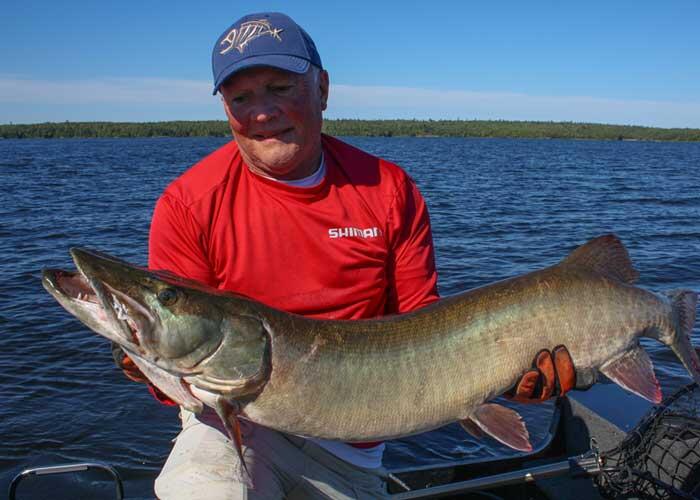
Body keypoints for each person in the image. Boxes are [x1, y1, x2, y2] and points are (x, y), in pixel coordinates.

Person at [113, 12, 576, 499]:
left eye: (280, 87)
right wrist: (144, 354)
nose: (262, 112)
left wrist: (502, 378)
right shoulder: (188, 202)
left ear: (323, 89)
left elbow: (426, 330)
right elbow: (181, 369)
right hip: (234, 427)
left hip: (351, 447)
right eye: (241, 97)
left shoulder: (388, 189)